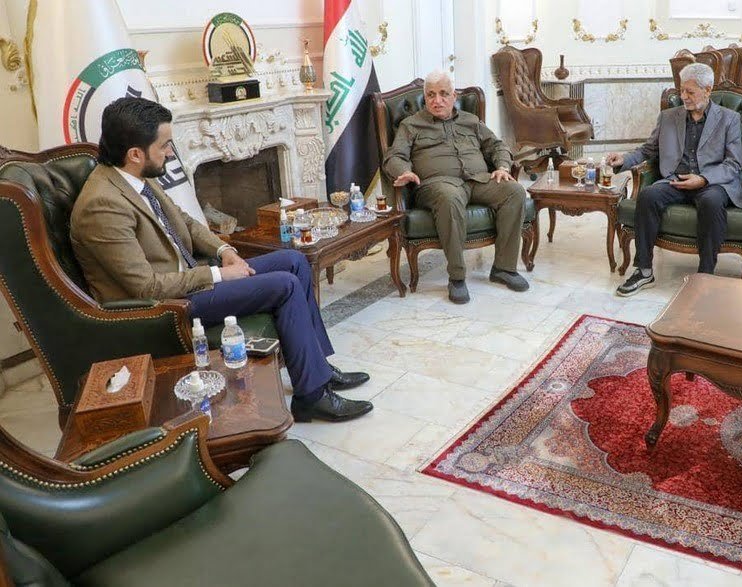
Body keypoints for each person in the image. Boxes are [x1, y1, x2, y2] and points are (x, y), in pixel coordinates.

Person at [70, 97, 373, 423]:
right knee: (284, 285)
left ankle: (318, 369)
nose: (170, 153)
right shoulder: (102, 205)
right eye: (165, 146)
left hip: (189, 278)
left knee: (294, 260)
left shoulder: (134, 178)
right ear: (135, 154)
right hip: (168, 305)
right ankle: (312, 397)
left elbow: (186, 222)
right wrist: (218, 275)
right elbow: (146, 287)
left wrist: (223, 251)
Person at [383, 70, 530, 304]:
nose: (437, 100)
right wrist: (404, 171)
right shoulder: (410, 125)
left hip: (478, 180)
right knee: (450, 197)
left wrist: (502, 167)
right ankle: (457, 277)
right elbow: (394, 156)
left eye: (443, 94)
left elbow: (497, 146)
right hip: (437, 185)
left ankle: (504, 268)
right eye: (431, 95)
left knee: (514, 191)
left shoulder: (470, 121)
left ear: (454, 96)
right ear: (425, 97)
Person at [608, 63, 742, 296]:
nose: (684, 97)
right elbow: (648, 150)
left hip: (711, 182)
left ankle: (705, 275)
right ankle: (644, 270)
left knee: (711, 202)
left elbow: (733, 164)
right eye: (682, 90)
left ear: (707, 90)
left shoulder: (729, 119)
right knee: (648, 195)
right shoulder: (668, 117)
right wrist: (624, 159)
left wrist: (702, 179)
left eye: (690, 92)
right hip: (675, 180)